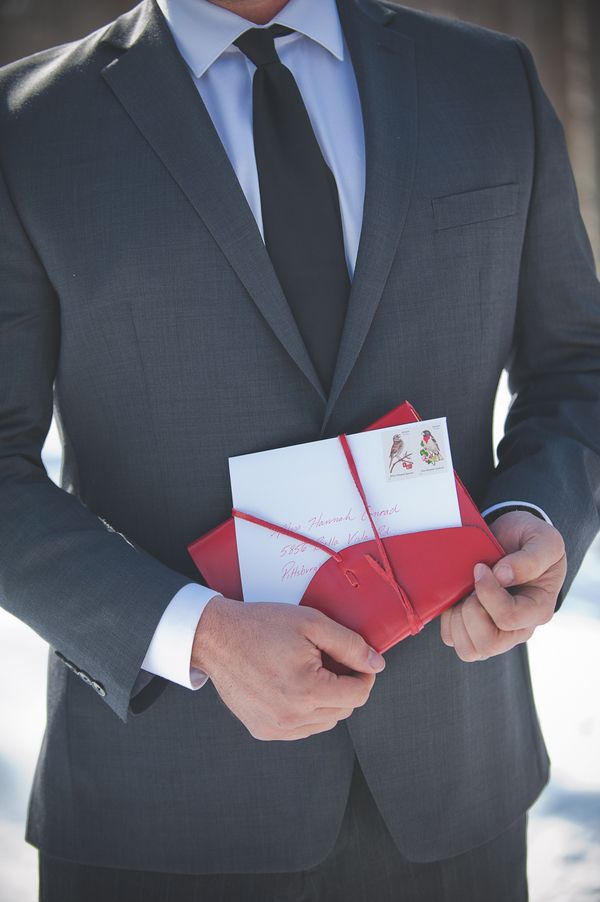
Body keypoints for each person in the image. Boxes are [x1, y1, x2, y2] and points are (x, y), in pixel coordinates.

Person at [0, 0, 598, 898]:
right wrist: (197, 635)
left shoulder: (490, 82)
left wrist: (536, 514)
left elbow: (576, 366)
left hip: (454, 796)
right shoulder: (29, 129)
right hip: (162, 812)